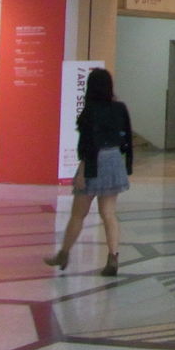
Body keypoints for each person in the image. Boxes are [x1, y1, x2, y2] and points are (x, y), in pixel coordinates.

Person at [43, 67, 133, 277]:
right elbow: (126, 137)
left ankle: (64, 254)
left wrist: (82, 172)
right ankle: (113, 257)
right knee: (109, 213)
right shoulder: (119, 108)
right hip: (114, 159)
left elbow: (86, 144)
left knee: (78, 214)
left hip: (94, 161)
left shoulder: (90, 111)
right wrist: (126, 163)